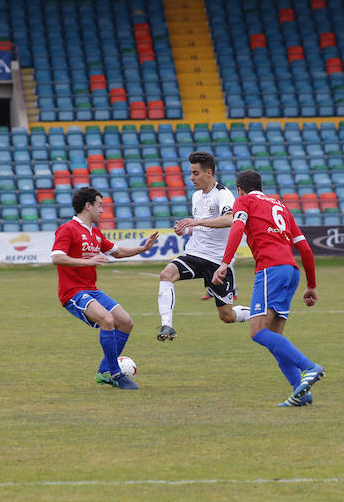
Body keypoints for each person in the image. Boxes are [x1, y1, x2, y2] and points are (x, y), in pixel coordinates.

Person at [211, 170, 323, 408]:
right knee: (274, 338)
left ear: (240, 190)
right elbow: (304, 248)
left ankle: (309, 367)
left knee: (258, 332)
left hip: (270, 270)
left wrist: (224, 263)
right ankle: (301, 392)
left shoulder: (244, 201)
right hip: (291, 271)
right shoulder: (280, 205)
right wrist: (311, 285)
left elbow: (237, 228)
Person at [51, 187, 159, 389]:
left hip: (91, 290)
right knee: (107, 320)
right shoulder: (68, 229)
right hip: (72, 292)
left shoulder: (96, 233)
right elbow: (57, 257)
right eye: (99, 205)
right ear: (88, 206)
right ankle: (116, 374)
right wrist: (88, 261)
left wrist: (143, 248)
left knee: (125, 322)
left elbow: (117, 252)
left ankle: (103, 372)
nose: (102, 210)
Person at [156, 151, 251, 342]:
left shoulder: (223, 194)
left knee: (227, 316)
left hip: (217, 262)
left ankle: (260, 312)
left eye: (195, 173)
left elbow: (230, 219)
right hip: (195, 254)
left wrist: (196, 222)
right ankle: (167, 326)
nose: (191, 178)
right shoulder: (196, 196)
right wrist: (187, 230)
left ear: (209, 173)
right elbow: (203, 227)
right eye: (191, 173)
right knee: (166, 274)